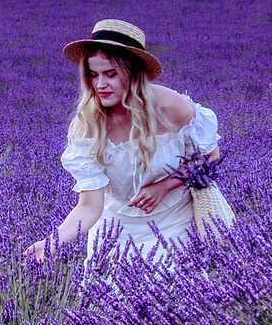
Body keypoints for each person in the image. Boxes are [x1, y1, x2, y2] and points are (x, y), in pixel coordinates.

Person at [26, 19, 231, 264]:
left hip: (175, 223)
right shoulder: (87, 126)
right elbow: (90, 205)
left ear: (132, 73)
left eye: (111, 74)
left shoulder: (171, 106)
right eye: (93, 75)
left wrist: (164, 185)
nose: (100, 85)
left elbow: (210, 156)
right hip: (115, 232)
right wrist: (52, 242)